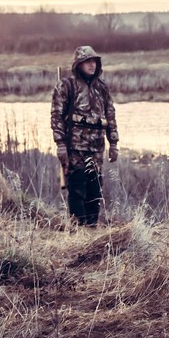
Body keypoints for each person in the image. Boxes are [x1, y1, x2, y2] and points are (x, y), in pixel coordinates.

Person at [51, 45, 119, 226]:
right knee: (77, 188)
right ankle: (78, 229)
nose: (92, 65)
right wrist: (61, 144)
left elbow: (110, 116)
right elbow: (56, 116)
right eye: (87, 61)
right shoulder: (66, 86)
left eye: (94, 61)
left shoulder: (102, 88)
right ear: (79, 64)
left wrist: (113, 143)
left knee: (95, 190)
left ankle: (91, 228)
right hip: (75, 147)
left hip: (96, 148)